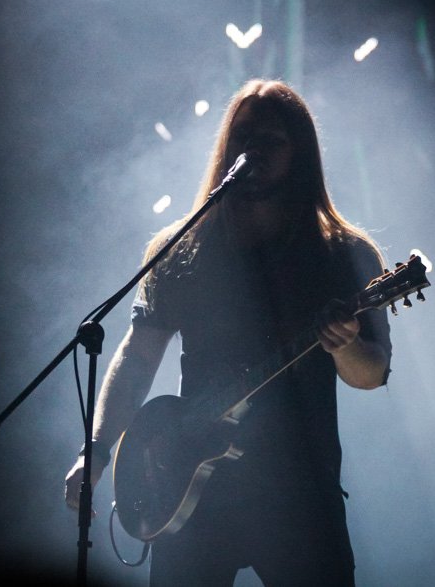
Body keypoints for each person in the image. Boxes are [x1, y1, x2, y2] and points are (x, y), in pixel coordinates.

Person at [65, 79, 392, 586]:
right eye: (243, 136)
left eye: (272, 140)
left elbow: (372, 374)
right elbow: (137, 357)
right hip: (190, 487)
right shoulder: (181, 248)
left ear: (300, 154)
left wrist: (346, 343)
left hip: (300, 493)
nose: (253, 148)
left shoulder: (344, 253)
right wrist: (98, 449)